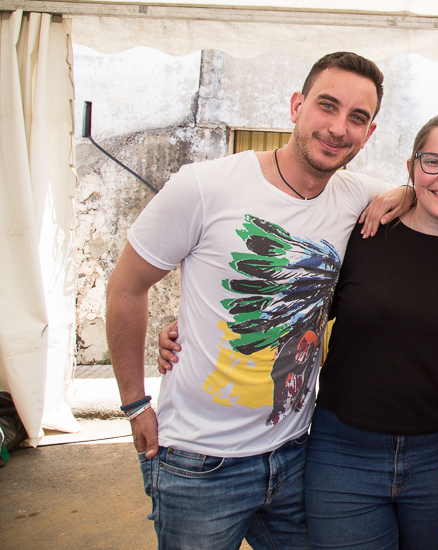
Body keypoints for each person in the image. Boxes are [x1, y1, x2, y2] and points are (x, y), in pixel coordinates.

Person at [105, 52, 391, 550]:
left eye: (357, 118)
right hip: (197, 461)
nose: (338, 127)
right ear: (297, 105)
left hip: (297, 453)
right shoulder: (204, 186)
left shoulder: (356, 195)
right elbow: (127, 287)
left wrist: (406, 195)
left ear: (369, 133)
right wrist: (134, 405)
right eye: (327, 106)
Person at [304, 112, 438, 550]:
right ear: (411, 168)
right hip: (343, 452)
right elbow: (299, 308)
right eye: (432, 162)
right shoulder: (365, 234)